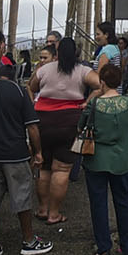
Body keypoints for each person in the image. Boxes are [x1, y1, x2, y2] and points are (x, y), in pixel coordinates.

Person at [0, 62, 50, 255]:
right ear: (14, 76)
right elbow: (32, 126)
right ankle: (28, 241)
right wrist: (38, 152)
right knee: (21, 197)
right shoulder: (19, 91)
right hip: (16, 154)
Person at [31, 35, 96, 227]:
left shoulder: (45, 69)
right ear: (76, 53)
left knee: (43, 167)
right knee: (61, 169)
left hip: (42, 120)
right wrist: (88, 101)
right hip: (69, 121)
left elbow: (31, 86)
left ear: (57, 53)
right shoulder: (83, 70)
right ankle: (54, 213)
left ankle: (42, 209)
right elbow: (101, 84)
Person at [81, 65, 128, 255]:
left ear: (102, 82)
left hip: (96, 158)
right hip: (120, 158)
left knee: (98, 203)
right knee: (123, 202)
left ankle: (103, 247)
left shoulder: (94, 104)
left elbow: (81, 125)